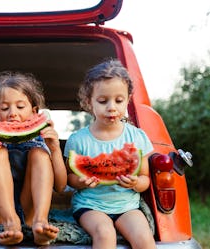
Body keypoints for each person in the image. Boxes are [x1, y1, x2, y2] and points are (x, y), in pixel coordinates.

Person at [0, 71, 67, 246]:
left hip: (30, 211)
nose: (12, 113)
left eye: (20, 107)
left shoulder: (42, 142)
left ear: (34, 112)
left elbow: (61, 186)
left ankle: (40, 222)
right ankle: (11, 222)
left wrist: (54, 149)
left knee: (39, 153)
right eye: (4, 108)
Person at [64, 59, 156, 249]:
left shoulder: (137, 137)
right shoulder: (78, 139)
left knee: (144, 239)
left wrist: (136, 183)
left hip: (127, 206)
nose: (111, 107)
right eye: (103, 101)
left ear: (128, 100)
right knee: (105, 235)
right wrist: (80, 182)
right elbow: (70, 178)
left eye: (119, 100)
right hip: (89, 205)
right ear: (89, 102)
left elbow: (145, 178)